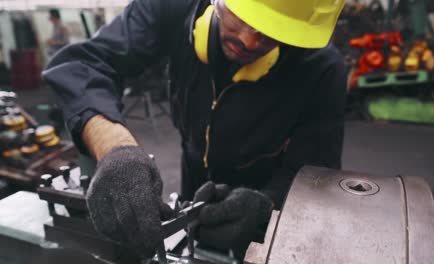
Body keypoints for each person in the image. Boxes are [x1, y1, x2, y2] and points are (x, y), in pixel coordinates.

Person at [42, 0, 347, 260]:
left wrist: (267, 208)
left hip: (263, 198)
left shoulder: (321, 69)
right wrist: (115, 150)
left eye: (273, 32)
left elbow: (316, 169)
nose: (250, 41)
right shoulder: (171, 8)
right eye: (243, 16)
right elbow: (82, 64)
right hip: (194, 182)